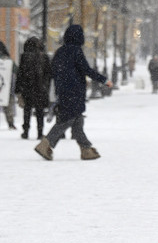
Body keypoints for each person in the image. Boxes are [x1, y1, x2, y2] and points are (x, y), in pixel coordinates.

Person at [35, 25, 111, 161]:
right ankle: (45, 144)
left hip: (63, 91)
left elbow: (53, 71)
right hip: (74, 91)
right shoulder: (76, 51)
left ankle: (86, 149)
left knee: (77, 120)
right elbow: (86, 70)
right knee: (67, 120)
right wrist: (104, 80)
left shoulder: (59, 52)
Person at [15, 36, 51, 140]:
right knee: (40, 112)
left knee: (27, 111)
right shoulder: (44, 57)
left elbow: (20, 74)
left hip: (27, 88)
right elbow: (48, 73)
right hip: (40, 89)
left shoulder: (24, 57)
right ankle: (40, 132)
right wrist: (46, 86)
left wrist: (18, 89)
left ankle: (26, 131)